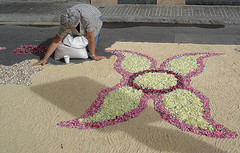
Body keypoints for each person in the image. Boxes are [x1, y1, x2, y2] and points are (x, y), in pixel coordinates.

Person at [33, 4, 105, 66]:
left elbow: (90, 37)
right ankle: (79, 33)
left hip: (95, 16)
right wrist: (45, 58)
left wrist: (93, 55)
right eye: (67, 28)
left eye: (70, 28)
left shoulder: (88, 20)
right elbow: (56, 41)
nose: (67, 29)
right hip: (79, 12)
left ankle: (97, 34)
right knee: (74, 35)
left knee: (89, 48)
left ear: (77, 23)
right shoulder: (66, 19)